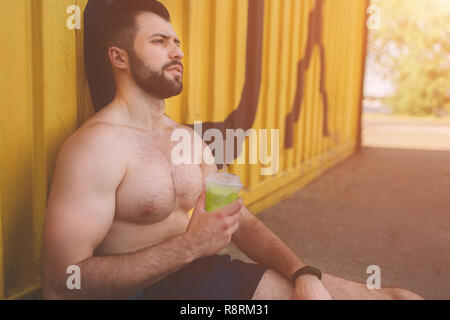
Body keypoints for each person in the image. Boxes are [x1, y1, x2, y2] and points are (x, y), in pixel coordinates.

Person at [42, 0, 422, 300]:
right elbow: (63, 281)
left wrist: (302, 274)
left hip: (206, 281)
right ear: (118, 57)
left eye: (176, 42)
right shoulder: (94, 147)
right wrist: (189, 246)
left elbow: (239, 219)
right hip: (144, 293)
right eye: (159, 41)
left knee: (397, 297)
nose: (176, 51)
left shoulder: (186, 139)